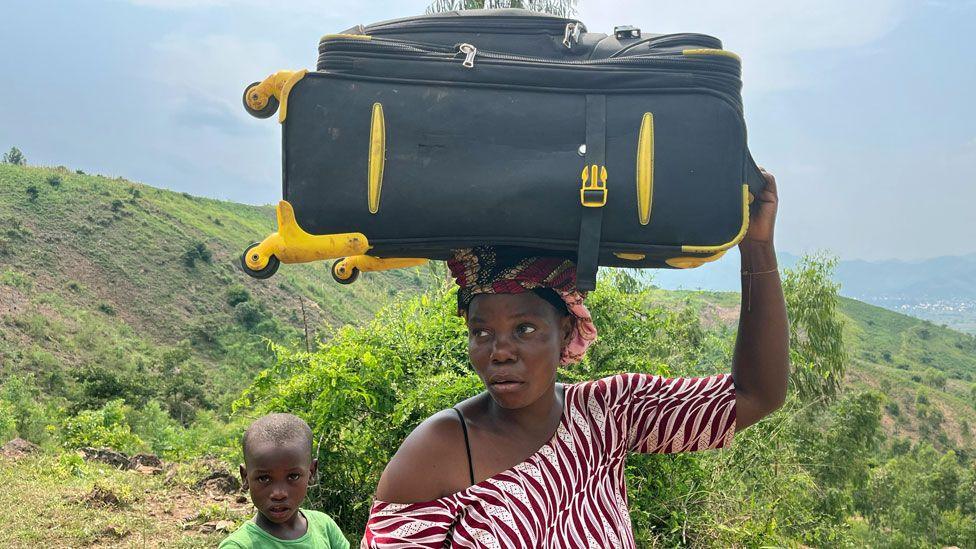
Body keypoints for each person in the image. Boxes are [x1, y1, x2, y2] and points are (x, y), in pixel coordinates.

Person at [360, 169, 788, 548]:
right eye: (481, 332)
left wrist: (756, 246)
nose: (500, 351)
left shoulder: (608, 413)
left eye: (524, 329)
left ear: (565, 329)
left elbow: (756, 394)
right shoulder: (436, 452)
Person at [220, 413, 350, 549]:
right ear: (245, 477)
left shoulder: (325, 527)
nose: (279, 494)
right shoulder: (239, 546)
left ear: (311, 473)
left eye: (293, 476)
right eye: (264, 478)